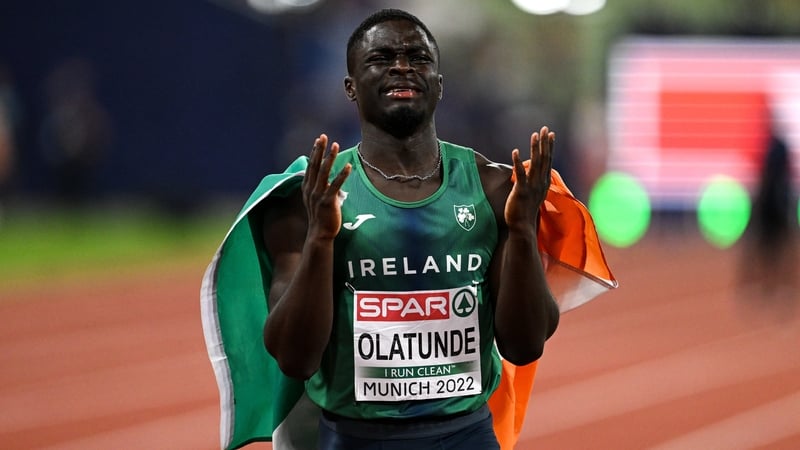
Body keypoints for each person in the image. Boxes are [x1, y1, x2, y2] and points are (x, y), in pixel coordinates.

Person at [201, 8, 616, 450]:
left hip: (464, 437)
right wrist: (321, 240)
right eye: (381, 58)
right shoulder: (311, 197)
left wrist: (521, 232)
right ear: (350, 88)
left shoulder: (495, 189)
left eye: (418, 57)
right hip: (353, 439)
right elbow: (293, 357)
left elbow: (524, 343)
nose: (402, 66)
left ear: (439, 84)